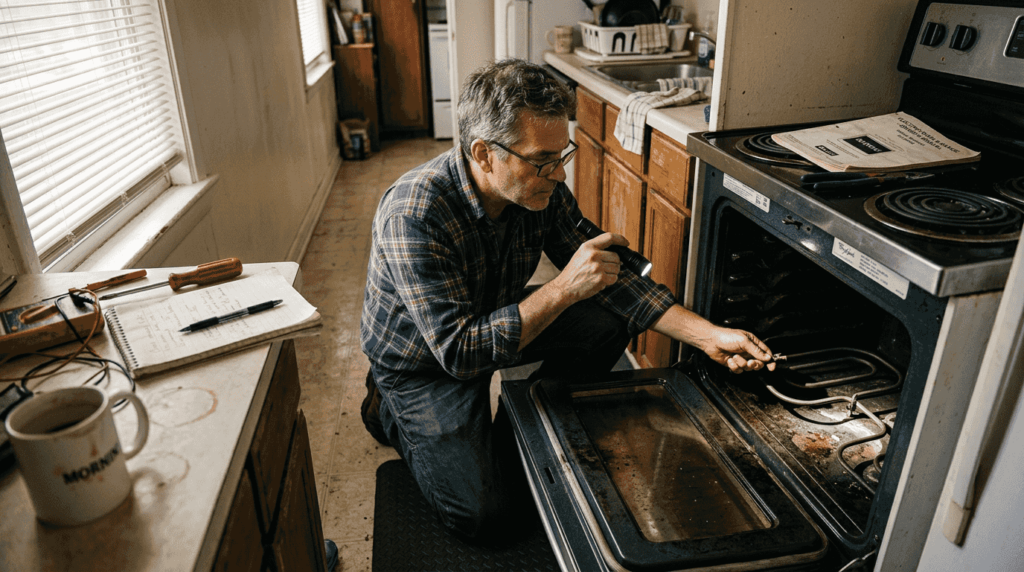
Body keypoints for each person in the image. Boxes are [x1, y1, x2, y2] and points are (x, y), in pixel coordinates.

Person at [359, 59, 775, 543]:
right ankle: (386, 407)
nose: (558, 174)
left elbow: (613, 277)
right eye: (542, 160)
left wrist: (710, 336)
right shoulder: (415, 212)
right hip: (426, 361)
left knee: (605, 316)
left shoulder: (541, 189)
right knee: (485, 518)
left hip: (494, 323)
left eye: (563, 155)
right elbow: (458, 353)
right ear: (484, 153)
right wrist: (560, 290)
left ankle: (530, 421)